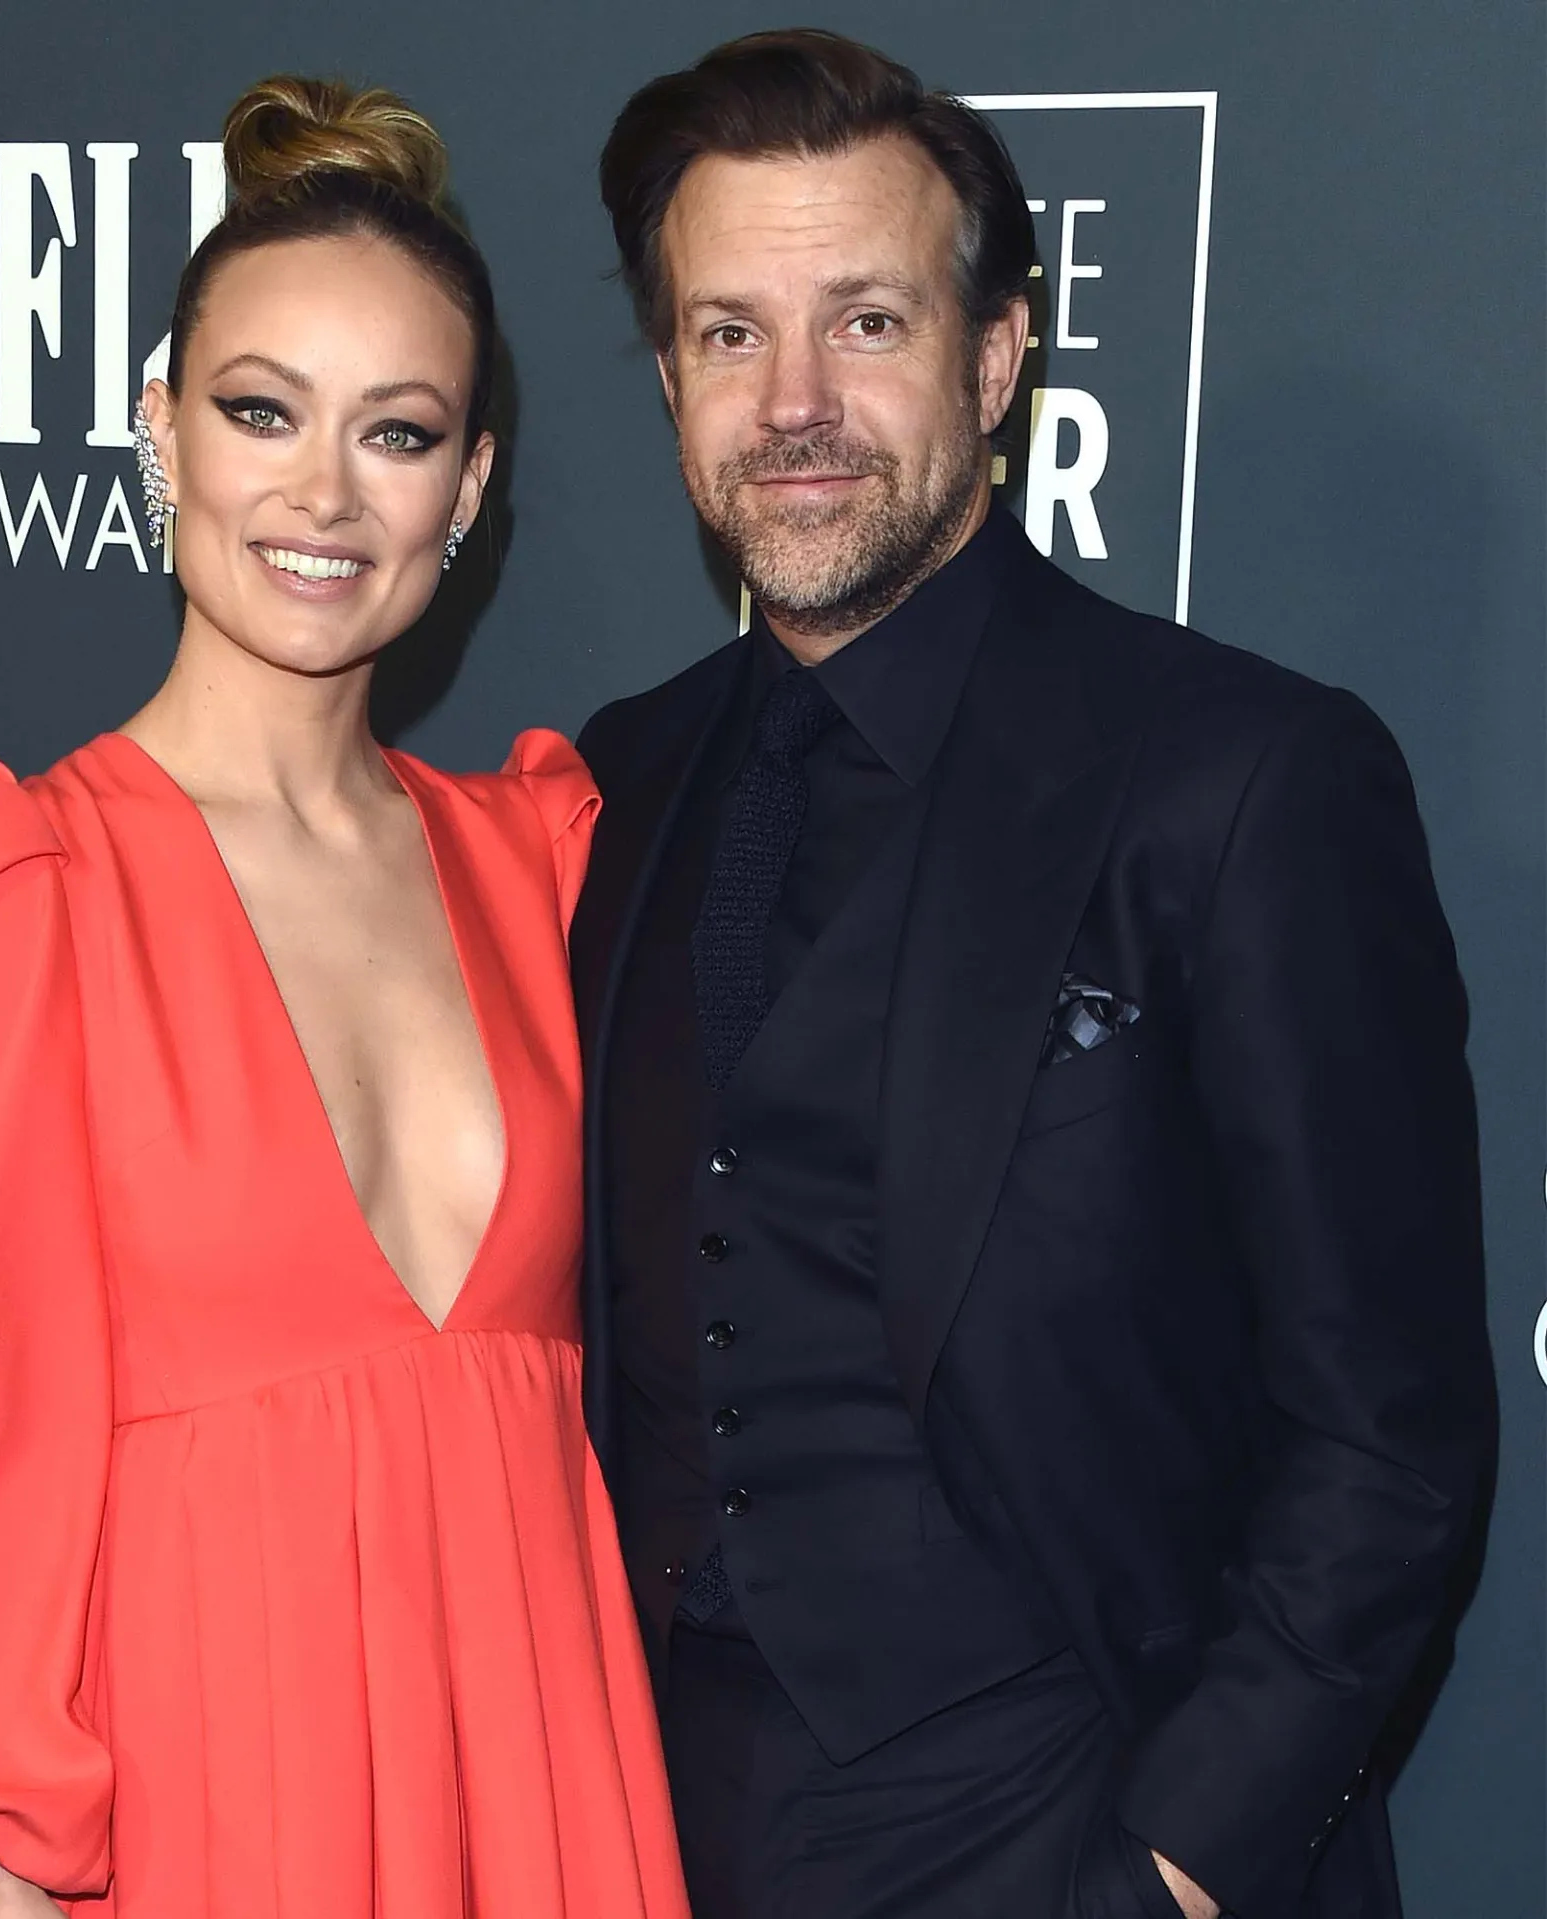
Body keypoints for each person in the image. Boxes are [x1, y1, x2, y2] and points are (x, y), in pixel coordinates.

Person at [572, 28, 1494, 1919]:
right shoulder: (618, 781)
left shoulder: (1241, 778)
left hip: (1068, 1811)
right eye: (731, 333)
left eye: (867, 322)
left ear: (995, 359)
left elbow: (1387, 1437)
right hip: (649, 1824)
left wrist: (1173, 1862)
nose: (794, 402)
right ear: (669, 379)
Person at [0, 74, 689, 1919]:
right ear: (159, 430)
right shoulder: (11, 893)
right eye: (261, 410)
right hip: (199, 1809)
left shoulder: (544, 862)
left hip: (529, 1789)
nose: (323, 493)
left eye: (397, 432)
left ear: (468, 487)